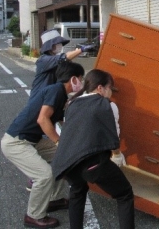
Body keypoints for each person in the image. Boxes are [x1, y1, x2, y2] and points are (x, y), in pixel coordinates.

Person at [1, 62, 85, 229]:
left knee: (64, 156)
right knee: (44, 175)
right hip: (16, 142)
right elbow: (42, 119)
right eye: (81, 79)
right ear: (74, 78)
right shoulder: (55, 90)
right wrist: (59, 142)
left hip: (33, 140)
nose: (81, 82)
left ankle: (54, 199)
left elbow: (63, 121)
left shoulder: (62, 95)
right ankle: (34, 216)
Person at [52, 69, 134, 229]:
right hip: (92, 163)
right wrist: (117, 155)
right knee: (124, 195)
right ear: (100, 88)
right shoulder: (107, 105)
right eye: (111, 88)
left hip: (67, 163)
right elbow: (113, 135)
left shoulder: (72, 103)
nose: (111, 93)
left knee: (77, 190)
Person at [30, 29, 94, 98]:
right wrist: (82, 50)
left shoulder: (55, 59)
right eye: (57, 43)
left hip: (51, 95)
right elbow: (65, 57)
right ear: (50, 46)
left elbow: (66, 59)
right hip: (39, 97)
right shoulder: (44, 60)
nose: (60, 45)